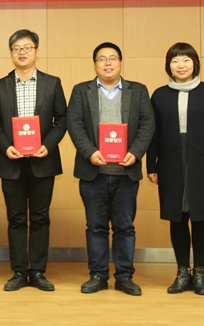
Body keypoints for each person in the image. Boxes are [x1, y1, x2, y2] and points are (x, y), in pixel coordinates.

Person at [67, 42, 155, 296]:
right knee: (96, 227)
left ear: (121, 63)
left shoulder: (138, 90)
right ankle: (98, 275)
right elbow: (74, 123)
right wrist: (89, 152)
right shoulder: (81, 90)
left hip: (126, 173)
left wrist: (135, 152)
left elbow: (148, 124)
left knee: (124, 227)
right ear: (95, 64)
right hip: (93, 173)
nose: (107, 63)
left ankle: (125, 277)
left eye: (113, 58)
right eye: (102, 59)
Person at [0, 29, 67, 292]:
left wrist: (48, 145)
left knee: (41, 218)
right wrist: (6, 147)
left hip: (43, 161)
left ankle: (38, 271)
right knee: (16, 218)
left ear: (37, 51)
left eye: (27, 47)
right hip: (12, 162)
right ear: (11, 53)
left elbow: (62, 120)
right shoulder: (0, 86)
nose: (22, 52)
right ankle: (20, 271)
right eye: (16, 48)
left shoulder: (52, 83)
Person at [146, 42, 204, 296]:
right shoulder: (159, 95)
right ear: (168, 66)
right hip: (170, 161)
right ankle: (182, 272)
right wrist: (151, 165)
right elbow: (153, 133)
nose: (181, 65)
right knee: (177, 217)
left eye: (186, 60)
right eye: (175, 61)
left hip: (202, 161)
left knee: (200, 217)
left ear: (195, 63)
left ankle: (199, 273)